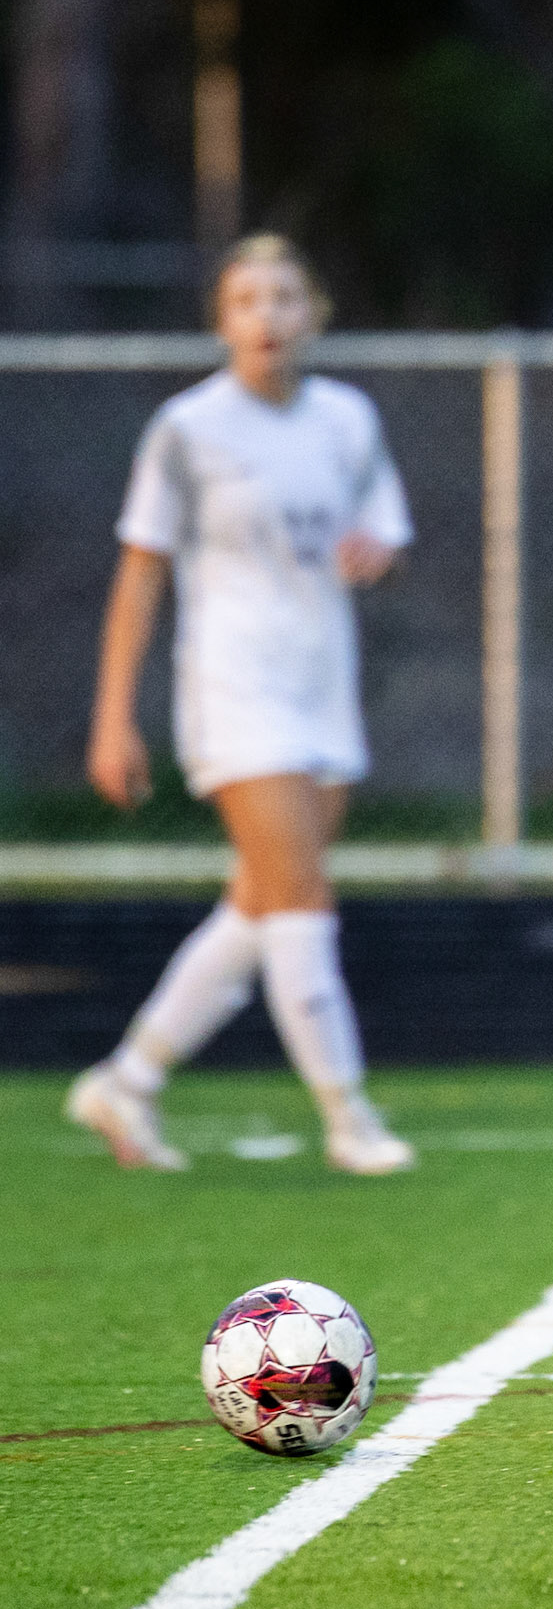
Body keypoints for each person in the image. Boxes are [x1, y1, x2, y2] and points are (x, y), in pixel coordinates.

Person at [66, 233, 415, 1175]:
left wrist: (379, 550)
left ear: (315, 315)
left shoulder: (347, 418)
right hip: (233, 691)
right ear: (222, 321)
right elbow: (140, 575)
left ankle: (127, 1080)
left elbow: (383, 527)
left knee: (261, 903)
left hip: (322, 691)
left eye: (285, 297)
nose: (267, 316)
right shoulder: (187, 429)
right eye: (246, 299)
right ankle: (348, 1116)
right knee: (300, 897)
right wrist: (113, 717)